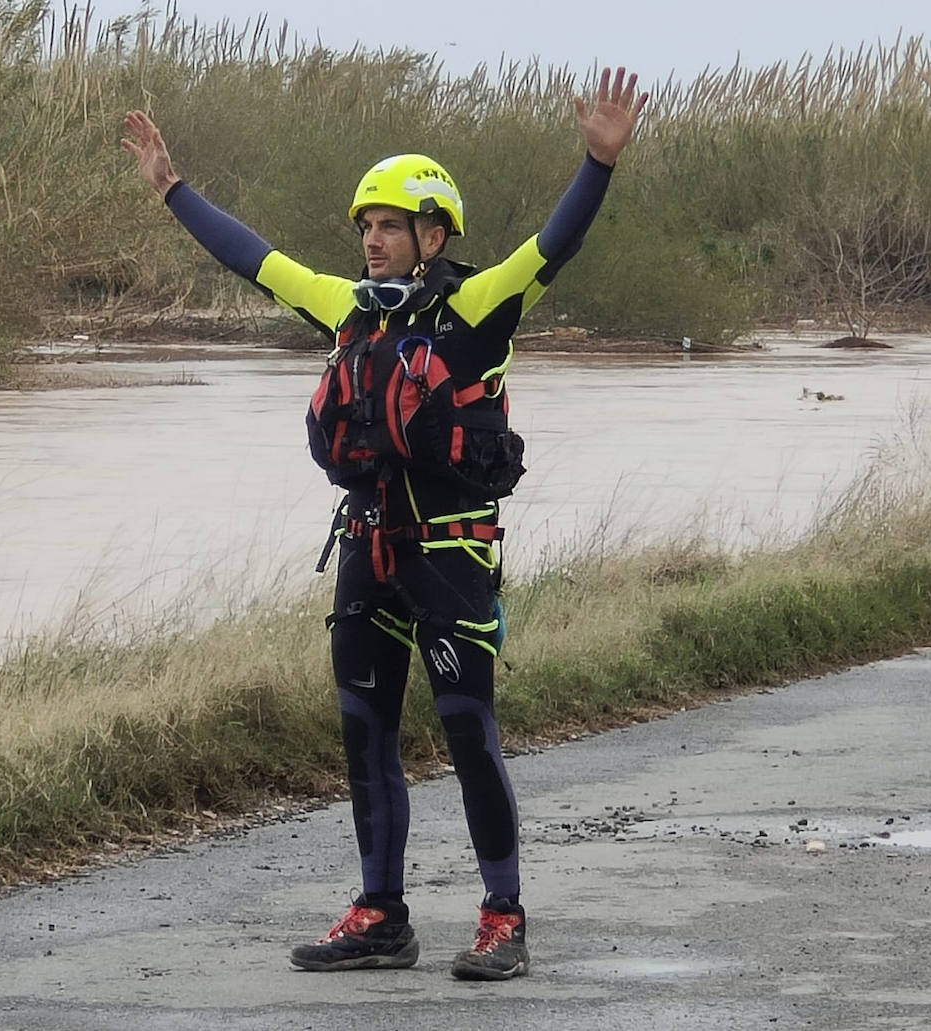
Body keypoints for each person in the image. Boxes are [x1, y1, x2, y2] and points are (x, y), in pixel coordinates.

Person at [121, 66, 647, 981]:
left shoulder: (474, 309)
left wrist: (597, 164)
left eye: (389, 226)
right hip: (366, 552)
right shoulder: (345, 311)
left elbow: (548, 250)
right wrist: (173, 189)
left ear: (432, 234)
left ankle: (502, 916)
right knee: (364, 733)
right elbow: (253, 258)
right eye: (365, 226)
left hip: (448, 559)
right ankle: (379, 915)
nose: (371, 240)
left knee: (466, 732)